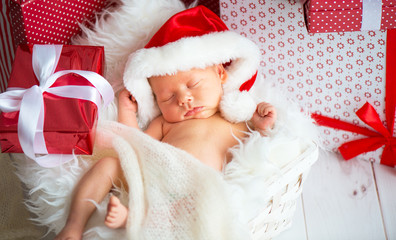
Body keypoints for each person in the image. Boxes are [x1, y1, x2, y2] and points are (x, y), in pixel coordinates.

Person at [55, 6, 276, 240]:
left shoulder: (232, 115)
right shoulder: (164, 123)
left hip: (195, 184)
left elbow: (255, 157)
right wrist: (127, 111)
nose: (183, 99)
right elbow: (135, 145)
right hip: (155, 173)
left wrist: (262, 125)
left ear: (220, 73)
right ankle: (73, 227)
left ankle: (135, 218)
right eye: (168, 97)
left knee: (201, 202)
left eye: (193, 85)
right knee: (107, 165)